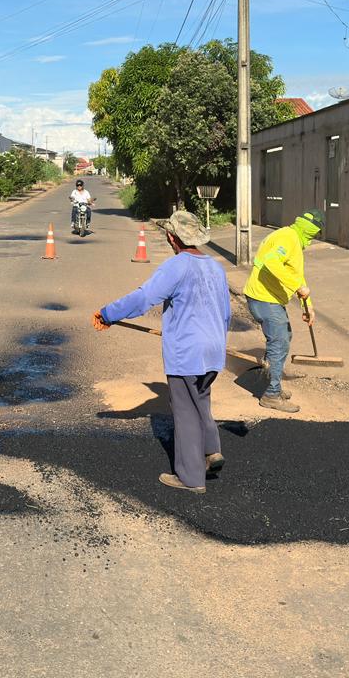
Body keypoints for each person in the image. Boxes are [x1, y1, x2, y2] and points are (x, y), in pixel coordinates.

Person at [92, 211, 230, 493]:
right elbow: (225, 314)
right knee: (200, 400)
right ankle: (211, 450)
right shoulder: (216, 268)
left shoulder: (176, 266)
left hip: (187, 352)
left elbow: (144, 298)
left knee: (185, 412)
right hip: (214, 349)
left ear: (171, 237)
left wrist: (108, 313)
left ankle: (191, 478)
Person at [243, 209, 324, 414]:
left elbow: (296, 275)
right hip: (263, 298)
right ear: (312, 231)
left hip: (268, 297)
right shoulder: (288, 238)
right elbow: (271, 261)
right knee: (279, 343)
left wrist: (308, 305)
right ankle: (271, 394)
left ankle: (273, 383)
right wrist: (297, 287)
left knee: (284, 338)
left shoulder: (292, 237)